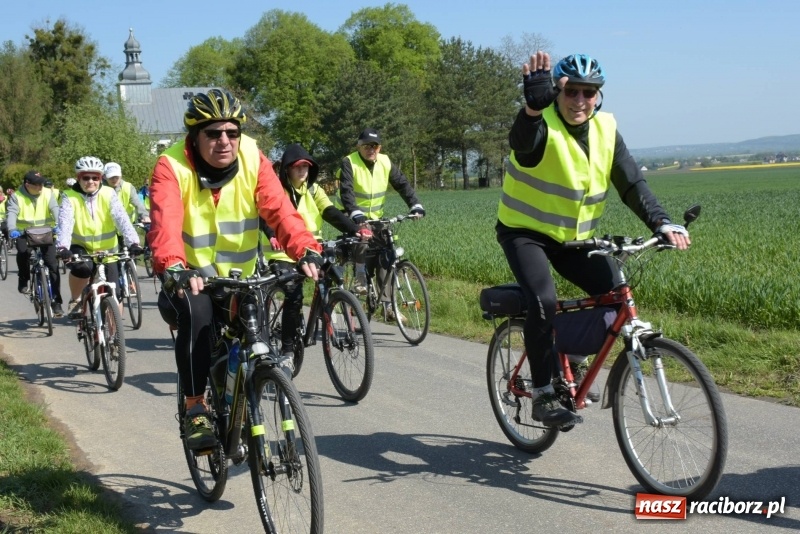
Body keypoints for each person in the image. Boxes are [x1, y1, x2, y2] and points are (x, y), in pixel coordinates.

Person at [496, 51, 690, 427]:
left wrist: (662, 222)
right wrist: (531, 111)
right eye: (571, 92)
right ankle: (542, 393)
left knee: (614, 293)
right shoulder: (542, 125)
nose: (579, 101)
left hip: (574, 239)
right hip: (524, 232)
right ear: (557, 93)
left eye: (589, 92)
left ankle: (570, 356)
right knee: (542, 300)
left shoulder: (606, 130)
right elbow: (522, 144)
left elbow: (632, 183)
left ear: (598, 96)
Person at [148, 89, 323, 451]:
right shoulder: (171, 166)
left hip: (241, 280)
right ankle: (195, 407)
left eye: (231, 132)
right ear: (195, 138)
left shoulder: (252, 158)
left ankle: (243, 401)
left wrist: (305, 248)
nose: (224, 141)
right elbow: (165, 224)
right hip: (191, 278)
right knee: (196, 319)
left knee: (252, 341)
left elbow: (279, 210)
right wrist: (175, 267)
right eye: (213, 133)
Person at [262, 143, 372, 370]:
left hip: (311, 250)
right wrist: (272, 234)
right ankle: (287, 350)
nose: (302, 171)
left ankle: (330, 308)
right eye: (297, 167)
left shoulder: (314, 190)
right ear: (287, 170)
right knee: (293, 293)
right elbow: (267, 215)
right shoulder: (277, 189)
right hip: (281, 251)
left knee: (333, 275)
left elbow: (330, 212)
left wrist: (354, 229)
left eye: (306, 167)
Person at [336, 127, 425, 322]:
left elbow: (402, 184)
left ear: (380, 147)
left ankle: (388, 306)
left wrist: (415, 204)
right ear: (359, 146)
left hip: (376, 217)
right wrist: (355, 213)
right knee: (362, 238)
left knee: (386, 256)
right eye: (367, 145)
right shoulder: (349, 162)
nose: (371, 149)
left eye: (375, 146)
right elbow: (347, 191)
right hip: (351, 215)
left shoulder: (385, 161)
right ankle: (360, 276)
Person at [56, 157, 143, 319]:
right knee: (83, 269)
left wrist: (134, 242)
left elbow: (121, 218)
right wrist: (62, 247)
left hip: (109, 250)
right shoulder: (69, 197)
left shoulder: (108, 193)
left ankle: (114, 336)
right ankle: (76, 300)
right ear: (78, 178)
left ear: (100, 178)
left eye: (95, 178)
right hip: (81, 247)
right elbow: (65, 223)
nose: (91, 181)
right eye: (86, 177)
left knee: (115, 293)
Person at [6, 170, 64, 317]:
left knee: (52, 265)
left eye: (42, 184)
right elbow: (12, 213)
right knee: (23, 253)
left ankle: (56, 302)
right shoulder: (16, 197)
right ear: (27, 184)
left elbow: (55, 209)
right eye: (37, 185)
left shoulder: (47, 193)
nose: (40, 187)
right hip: (24, 233)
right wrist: (12, 229)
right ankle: (23, 280)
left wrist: (59, 223)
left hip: (46, 233)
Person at [102, 162, 151, 251]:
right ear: (104, 176)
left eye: (117, 177)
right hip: (107, 230)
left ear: (121, 175)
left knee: (131, 254)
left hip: (126, 227)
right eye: (111, 177)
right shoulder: (99, 188)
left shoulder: (128, 187)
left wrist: (145, 215)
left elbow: (138, 204)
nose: (114, 179)